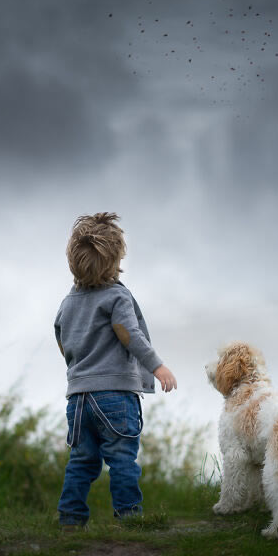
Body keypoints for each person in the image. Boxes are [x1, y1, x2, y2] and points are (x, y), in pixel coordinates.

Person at [54, 212, 177, 528]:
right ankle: (129, 518)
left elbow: (61, 338)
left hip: (77, 398)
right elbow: (127, 332)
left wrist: (79, 370)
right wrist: (157, 366)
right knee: (122, 459)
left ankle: (70, 519)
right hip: (114, 396)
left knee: (81, 461)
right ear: (114, 260)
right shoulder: (117, 295)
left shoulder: (67, 303)